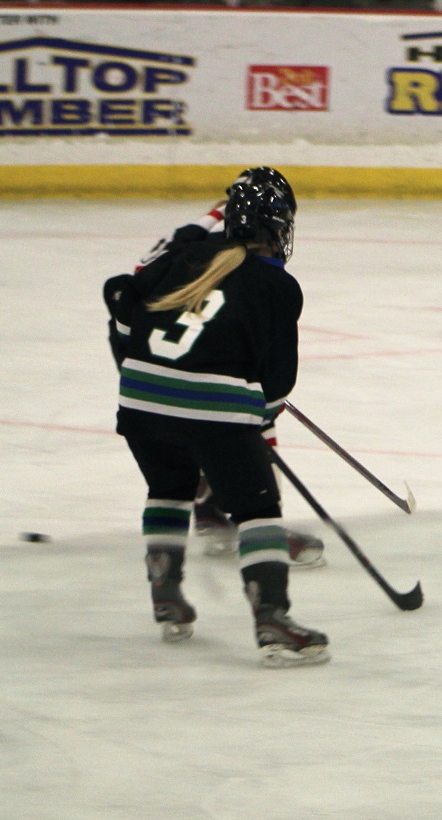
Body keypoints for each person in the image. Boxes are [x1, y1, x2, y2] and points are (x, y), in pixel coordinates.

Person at [104, 170, 330, 666]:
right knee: (257, 508)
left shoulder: (185, 254)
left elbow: (119, 294)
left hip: (140, 401)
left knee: (168, 488)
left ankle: (166, 595)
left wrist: (132, 364)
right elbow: (277, 382)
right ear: (278, 228)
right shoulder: (277, 284)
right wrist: (256, 416)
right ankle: (272, 620)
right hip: (212, 408)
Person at [130, 168, 325, 568]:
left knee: (216, 428)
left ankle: (214, 512)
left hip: (146, 360)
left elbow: (138, 279)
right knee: (238, 422)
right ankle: (250, 520)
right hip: (173, 358)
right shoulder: (239, 264)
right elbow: (275, 382)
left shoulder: (196, 244)